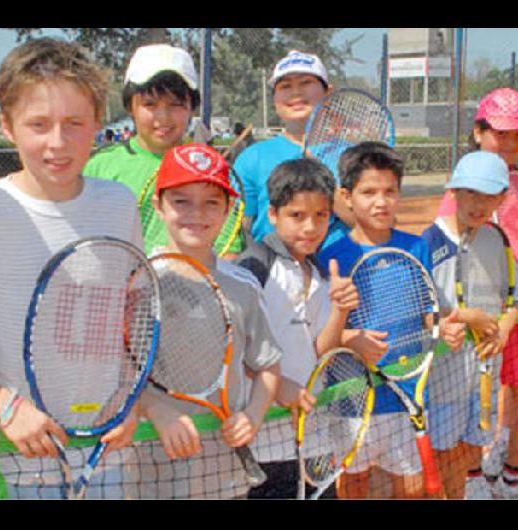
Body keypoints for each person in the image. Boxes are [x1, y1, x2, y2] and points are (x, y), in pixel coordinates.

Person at [0, 37, 143, 499]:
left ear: (97, 124)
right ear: (7, 126)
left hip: (103, 451)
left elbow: (130, 316)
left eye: (74, 123)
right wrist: (5, 406)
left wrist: (131, 401)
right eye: (38, 124)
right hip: (3, 457)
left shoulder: (118, 204)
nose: (57, 142)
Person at [317, 141, 464, 499]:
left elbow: (426, 310)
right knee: (354, 483)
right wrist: (352, 339)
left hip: (407, 394)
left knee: (412, 489)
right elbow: (323, 328)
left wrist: (440, 327)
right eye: (369, 192)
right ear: (346, 196)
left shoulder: (416, 247)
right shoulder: (330, 256)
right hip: (353, 399)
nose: (381, 201)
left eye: (389, 191)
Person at [136, 143, 282, 499]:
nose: (196, 214)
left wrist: (254, 414)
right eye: (181, 201)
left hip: (224, 468)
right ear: (158, 206)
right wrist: (157, 410)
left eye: (211, 202)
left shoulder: (243, 286)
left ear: (228, 210)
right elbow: (122, 374)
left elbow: (268, 366)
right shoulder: (137, 282)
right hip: (150, 464)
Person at [436, 88, 518, 499]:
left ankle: (514, 482)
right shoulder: (459, 191)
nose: (509, 143)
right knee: (471, 410)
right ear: (478, 131)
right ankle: (473, 484)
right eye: (500, 133)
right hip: (474, 322)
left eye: (517, 135)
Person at [235, 157, 358, 498]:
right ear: (272, 215)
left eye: (321, 215)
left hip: (312, 432)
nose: (310, 227)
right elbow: (233, 347)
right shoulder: (252, 268)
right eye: (297, 215)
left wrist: (341, 311)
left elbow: (321, 353)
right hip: (262, 440)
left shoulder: (320, 273)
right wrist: (276, 387)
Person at [421, 151, 518, 499]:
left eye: (489, 195)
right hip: (442, 381)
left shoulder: (496, 239)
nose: (478, 203)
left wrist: (506, 324)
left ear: (502, 198)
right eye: (470, 193)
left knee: (470, 450)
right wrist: (466, 316)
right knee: (442, 454)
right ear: (452, 192)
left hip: (483, 377)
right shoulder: (427, 243)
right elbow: (420, 313)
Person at [82, 44, 245, 256]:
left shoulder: (211, 168)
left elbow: (228, 251)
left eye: (175, 104)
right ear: (130, 107)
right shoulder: (98, 167)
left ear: (191, 107)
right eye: (150, 104)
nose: (163, 117)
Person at [234, 50, 351, 252]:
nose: (295, 93)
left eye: (306, 83)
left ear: (328, 93)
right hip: (273, 279)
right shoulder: (252, 158)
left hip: (341, 275)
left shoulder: (353, 157)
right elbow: (236, 233)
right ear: (275, 100)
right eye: (285, 86)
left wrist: (325, 183)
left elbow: (372, 227)